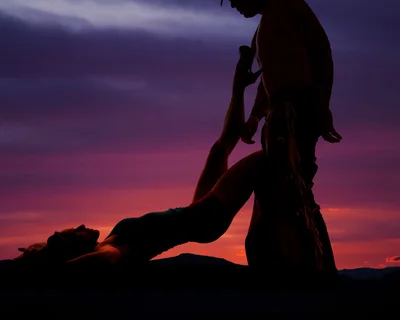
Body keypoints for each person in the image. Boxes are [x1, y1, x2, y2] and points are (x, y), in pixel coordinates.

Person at [13, 46, 335, 276]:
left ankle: (239, 85)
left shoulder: (112, 237)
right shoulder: (108, 250)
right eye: (76, 232)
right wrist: (55, 272)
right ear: (74, 248)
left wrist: (239, 91)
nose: (83, 226)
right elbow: (104, 262)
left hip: (199, 210)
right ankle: (295, 255)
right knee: (269, 160)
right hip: (206, 217)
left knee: (220, 148)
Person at [218, 0, 341, 271]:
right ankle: (290, 269)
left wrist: (321, 105)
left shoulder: (286, 5)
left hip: (295, 110)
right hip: (278, 117)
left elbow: (320, 52)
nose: (233, 6)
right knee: (280, 193)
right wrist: (256, 118)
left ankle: (315, 271)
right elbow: (268, 83)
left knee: (294, 191)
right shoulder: (262, 29)